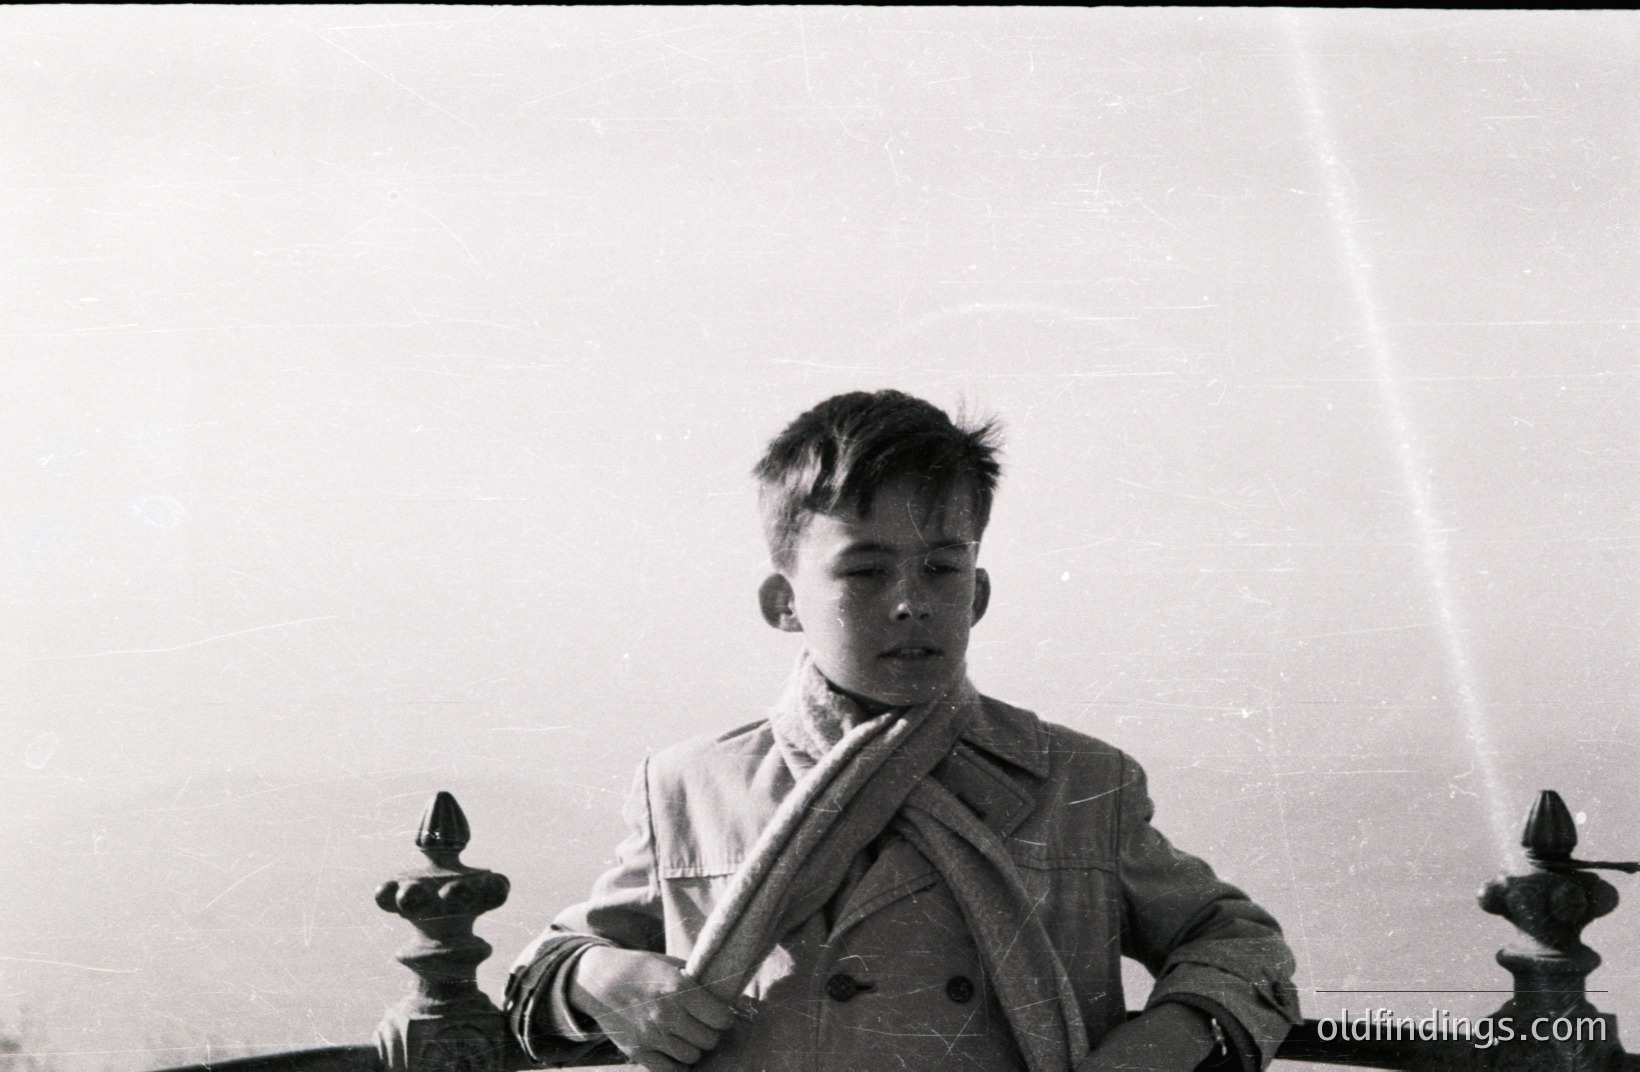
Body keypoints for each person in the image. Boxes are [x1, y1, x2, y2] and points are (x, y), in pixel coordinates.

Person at [504, 390, 1301, 1072]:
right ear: (783, 603)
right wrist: (600, 981)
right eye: (864, 570)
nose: (910, 602)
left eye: (942, 569)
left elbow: (1239, 943)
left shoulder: (1081, 781)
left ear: (978, 593)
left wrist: (1164, 1041)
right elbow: (542, 972)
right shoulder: (691, 786)